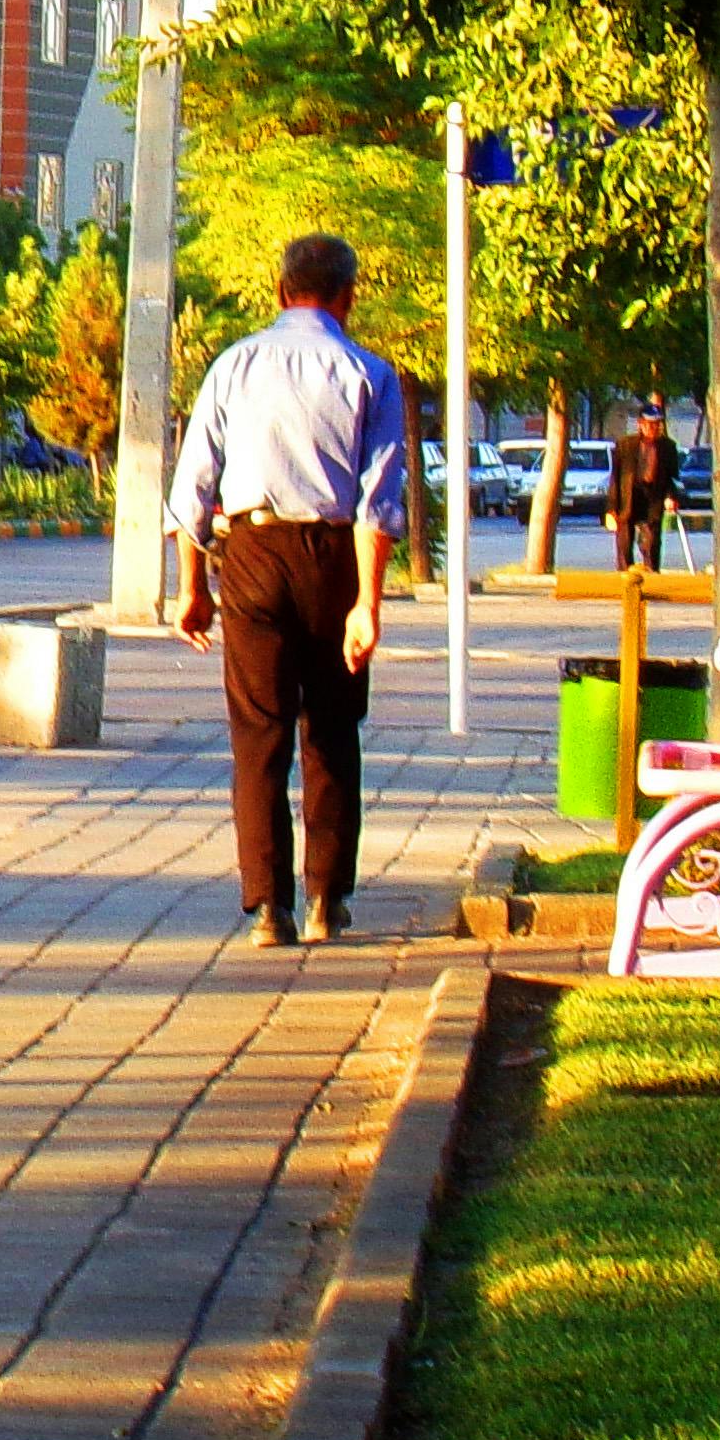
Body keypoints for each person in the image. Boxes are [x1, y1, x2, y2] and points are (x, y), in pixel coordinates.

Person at [174, 232, 410, 947]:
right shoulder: (371, 373)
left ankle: (267, 906)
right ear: (349, 296)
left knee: (259, 733)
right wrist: (367, 603)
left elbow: (194, 488)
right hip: (334, 557)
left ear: (280, 292)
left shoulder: (233, 365)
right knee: (333, 732)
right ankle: (326, 901)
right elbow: (379, 499)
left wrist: (194, 587)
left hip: (251, 550)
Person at [616, 399, 683, 571]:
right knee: (624, 541)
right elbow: (615, 478)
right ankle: (624, 576)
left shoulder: (668, 447)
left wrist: (671, 497)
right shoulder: (626, 445)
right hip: (631, 496)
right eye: (650, 425)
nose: (654, 429)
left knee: (651, 540)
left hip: (653, 497)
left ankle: (652, 573)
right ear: (640, 424)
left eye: (657, 425)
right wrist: (610, 509)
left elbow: (672, 478)